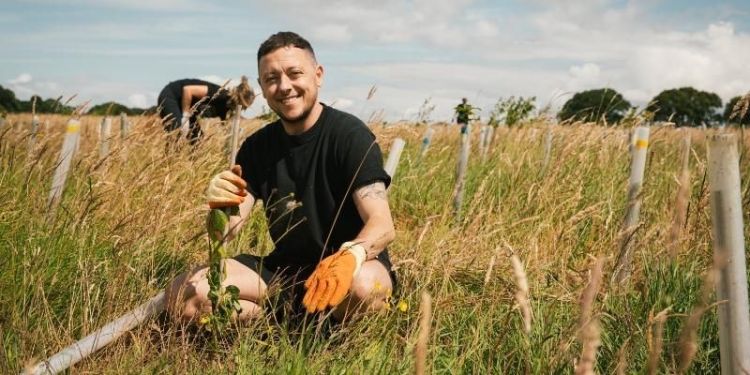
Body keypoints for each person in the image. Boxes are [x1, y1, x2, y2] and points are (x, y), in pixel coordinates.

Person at [166, 31, 397, 323]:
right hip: (284, 272)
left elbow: (383, 225)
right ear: (262, 87)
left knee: (363, 288)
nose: (284, 86)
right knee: (184, 294)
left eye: (294, 73)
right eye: (272, 78)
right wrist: (218, 209)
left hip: (351, 267)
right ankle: (282, 325)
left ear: (318, 75)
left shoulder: (350, 136)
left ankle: (332, 334)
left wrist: (351, 256)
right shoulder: (256, 147)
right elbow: (227, 232)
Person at [157, 77, 254, 143]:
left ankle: (192, 166)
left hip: (186, 107)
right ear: (240, 99)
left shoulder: (227, 108)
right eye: (244, 106)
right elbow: (188, 90)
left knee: (197, 139)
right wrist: (185, 116)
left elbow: (226, 126)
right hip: (171, 96)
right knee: (177, 131)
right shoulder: (220, 94)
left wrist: (234, 136)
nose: (243, 110)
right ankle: (170, 164)